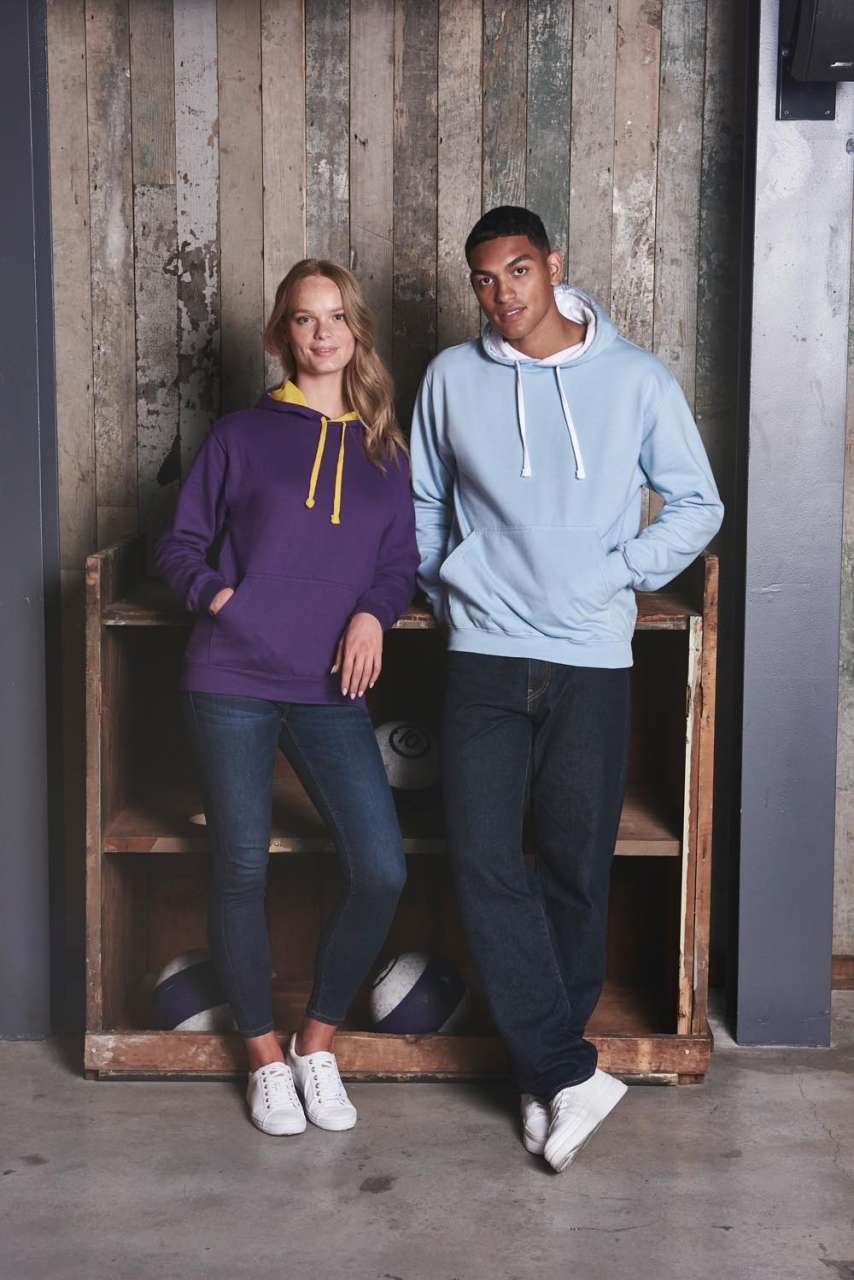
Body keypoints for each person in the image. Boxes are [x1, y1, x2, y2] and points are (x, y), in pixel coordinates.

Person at [410, 206, 723, 1172]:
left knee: (575, 866)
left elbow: (698, 503)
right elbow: (424, 500)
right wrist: (452, 587)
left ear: (552, 264)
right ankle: (564, 1070)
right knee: (482, 859)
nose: (501, 294)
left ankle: (545, 1075)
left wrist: (616, 573)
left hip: (591, 654)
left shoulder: (636, 379)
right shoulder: (451, 378)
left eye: (517, 271)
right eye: (484, 279)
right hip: (485, 650)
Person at [155, 259, 418, 1137]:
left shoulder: (384, 451)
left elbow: (398, 563)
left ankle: (315, 1045)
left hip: (327, 686)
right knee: (241, 866)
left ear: (356, 331)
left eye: (336, 316)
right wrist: (224, 600)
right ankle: (265, 1059)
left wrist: (374, 615)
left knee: (380, 867)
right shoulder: (240, 436)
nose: (321, 332)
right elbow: (178, 547)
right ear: (282, 334)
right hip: (230, 677)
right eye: (305, 318)